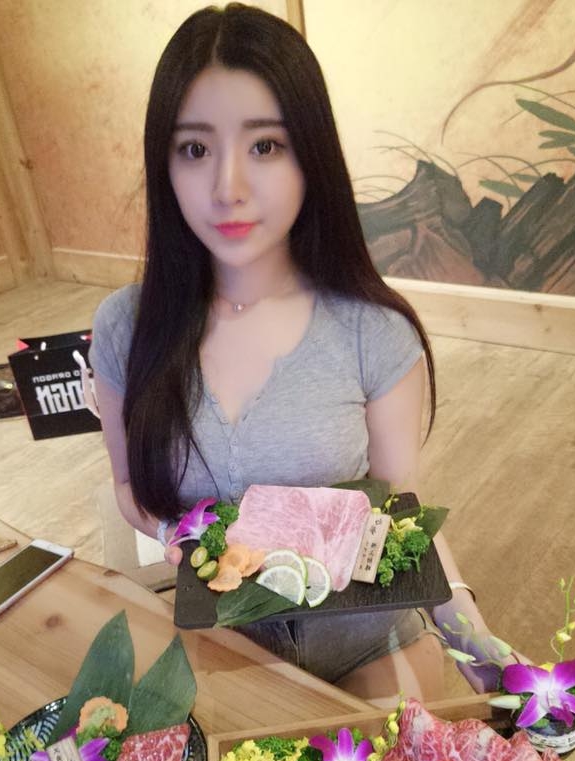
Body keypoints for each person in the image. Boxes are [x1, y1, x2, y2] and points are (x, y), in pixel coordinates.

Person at [90, 3, 511, 706]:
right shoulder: (124, 328)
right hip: (220, 650)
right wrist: (173, 532)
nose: (228, 186)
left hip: (367, 645)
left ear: (310, 157)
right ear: (164, 165)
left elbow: (400, 517)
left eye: (265, 146)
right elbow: (130, 487)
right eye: (194, 149)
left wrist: (471, 633)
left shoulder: (375, 332)